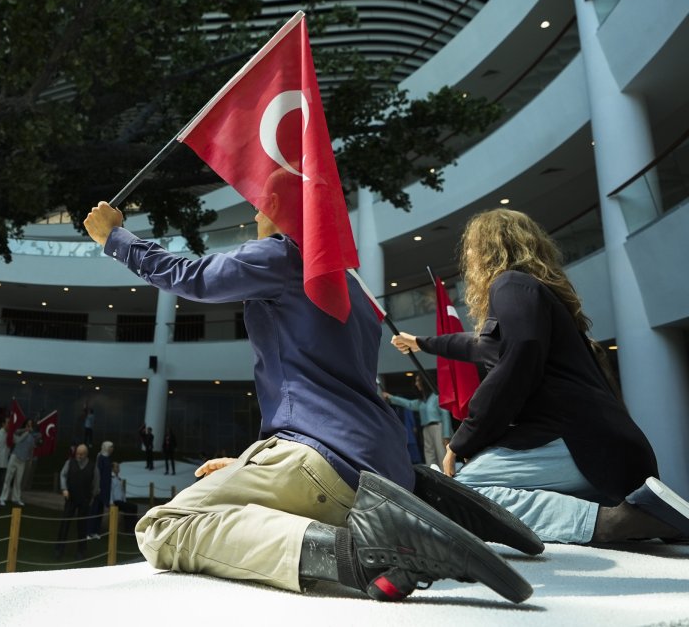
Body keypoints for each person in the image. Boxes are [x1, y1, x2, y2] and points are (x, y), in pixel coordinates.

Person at [82, 195, 533, 604]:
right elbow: (326, 386)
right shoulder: (353, 287)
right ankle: (410, 502)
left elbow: (191, 277)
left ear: (279, 205)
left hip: (322, 463)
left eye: (257, 206)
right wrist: (249, 466)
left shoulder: (282, 255)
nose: (254, 219)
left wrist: (115, 238)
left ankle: (359, 553)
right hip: (382, 459)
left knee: (161, 526)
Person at [391, 208, 689, 544]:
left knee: (456, 495)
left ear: (491, 247)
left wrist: (465, 439)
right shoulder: (534, 297)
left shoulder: (511, 283)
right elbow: (478, 347)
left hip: (582, 443)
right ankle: (639, 515)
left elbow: (519, 360)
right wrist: (420, 342)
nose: (468, 257)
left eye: (471, 247)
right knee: (462, 491)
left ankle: (616, 522)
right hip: (608, 453)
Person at [382, 377, 452, 467]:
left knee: (442, 453)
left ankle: (447, 477)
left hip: (438, 427)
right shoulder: (421, 401)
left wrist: (446, 435)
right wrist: (391, 397)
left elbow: (445, 414)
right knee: (429, 456)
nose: (416, 383)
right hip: (426, 429)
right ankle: (434, 478)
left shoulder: (436, 396)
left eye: (418, 381)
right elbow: (409, 404)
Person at [56, 444, 100, 560]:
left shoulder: (92, 466)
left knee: (82, 526)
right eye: (77, 454)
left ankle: (81, 551)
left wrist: (92, 496)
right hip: (70, 498)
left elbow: (96, 482)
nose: (78, 456)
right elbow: (63, 475)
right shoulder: (70, 462)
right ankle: (59, 549)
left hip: (85, 499)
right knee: (65, 524)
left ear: (86, 454)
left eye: (81, 454)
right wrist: (64, 489)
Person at [0, 419, 41, 507]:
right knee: (8, 478)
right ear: (25, 425)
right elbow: (15, 434)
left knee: (18, 481)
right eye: (27, 424)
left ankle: (16, 498)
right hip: (14, 457)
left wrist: (29, 458)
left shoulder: (32, 437)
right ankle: (2, 498)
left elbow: (32, 449)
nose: (29, 426)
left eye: (31, 425)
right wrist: (26, 430)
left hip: (23, 460)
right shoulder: (20, 431)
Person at [87, 441, 114, 539]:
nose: (112, 449)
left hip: (105, 489)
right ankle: (89, 531)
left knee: (100, 511)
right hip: (99, 488)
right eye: (110, 447)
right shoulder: (101, 458)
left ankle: (96, 531)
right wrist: (97, 487)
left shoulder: (108, 458)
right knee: (94, 510)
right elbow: (98, 473)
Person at [109, 461, 140, 534]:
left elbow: (122, 492)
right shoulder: (111, 478)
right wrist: (111, 502)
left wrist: (124, 500)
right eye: (116, 467)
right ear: (112, 468)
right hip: (115, 501)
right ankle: (129, 529)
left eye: (118, 466)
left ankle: (133, 527)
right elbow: (110, 490)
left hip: (121, 501)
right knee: (130, 507)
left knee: (133, 507)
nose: (118, 468)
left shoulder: (118, 478)